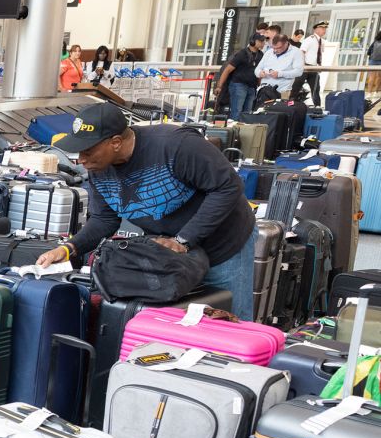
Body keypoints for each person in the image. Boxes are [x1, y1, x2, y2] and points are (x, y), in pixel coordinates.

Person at [36, 103, 260, 321]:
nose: (81, 160)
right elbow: (104, 220)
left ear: (115, 142)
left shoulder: (176, 145)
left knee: (231, 323)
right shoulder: (98, 169)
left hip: (223, 245)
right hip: (173, 255)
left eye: (87, 151)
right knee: (181, 326)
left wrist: (184, 239)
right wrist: (68, 249)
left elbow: (227, 187)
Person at [213, 35, 265, 119]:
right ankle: (233, 130)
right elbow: (227, 70)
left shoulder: (261, 55)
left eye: (263, 41)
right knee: (236, 112)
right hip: (238, 85)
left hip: (252, 87)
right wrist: (219, 86)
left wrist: (259, 86)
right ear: (253, 41)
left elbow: (259, 71)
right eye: (261, 41)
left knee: (247, 114)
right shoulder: (242, 53)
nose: (263, 43)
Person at [295, 21, 328, 107]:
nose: (324, 30)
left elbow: (318, 54)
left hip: (314, 68)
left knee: (316, 89)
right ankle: (291, 105)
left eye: (325, 28)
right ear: (316, 29)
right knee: (296, 87)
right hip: (305, 67)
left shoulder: (322, 41)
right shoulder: (310, 39)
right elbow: (301, 52)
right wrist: (301, 66)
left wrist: (319, 66)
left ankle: (318, 107)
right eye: (322, 28)